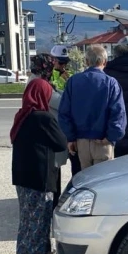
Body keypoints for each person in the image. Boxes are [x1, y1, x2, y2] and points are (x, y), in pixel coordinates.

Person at [10, 78, 68, 254]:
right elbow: (60, 143)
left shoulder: (22, 115)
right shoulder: (44, 118)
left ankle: (25, 253)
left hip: (22, 175)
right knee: (39, 217)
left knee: (26, 217)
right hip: (40, 175)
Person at [58, 45, 127, 170]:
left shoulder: (73, 82)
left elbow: (64, 113)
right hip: (103, 141)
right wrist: (111, 136)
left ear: (86, 61)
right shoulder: (111, 83)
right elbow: (118, 114)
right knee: (102, 183)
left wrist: (71, 137)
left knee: (83, 182)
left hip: (80, 142)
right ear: (105, 62)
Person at [27, 53, 69, 208]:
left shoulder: (36, 80)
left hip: (43, 132)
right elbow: (60, 103)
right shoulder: (40, 84)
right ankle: (52, 205)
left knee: (53, 172)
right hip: (49, 133)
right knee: (52, 173)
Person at [49, 44, 81, 178]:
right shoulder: (48, 76)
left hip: (70, 125)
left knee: (76, 163)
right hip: (55, 124)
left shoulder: (72, 76)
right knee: (55, 165)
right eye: (60, 62)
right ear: (53, 61)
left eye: (65, 62)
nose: (63, 66)